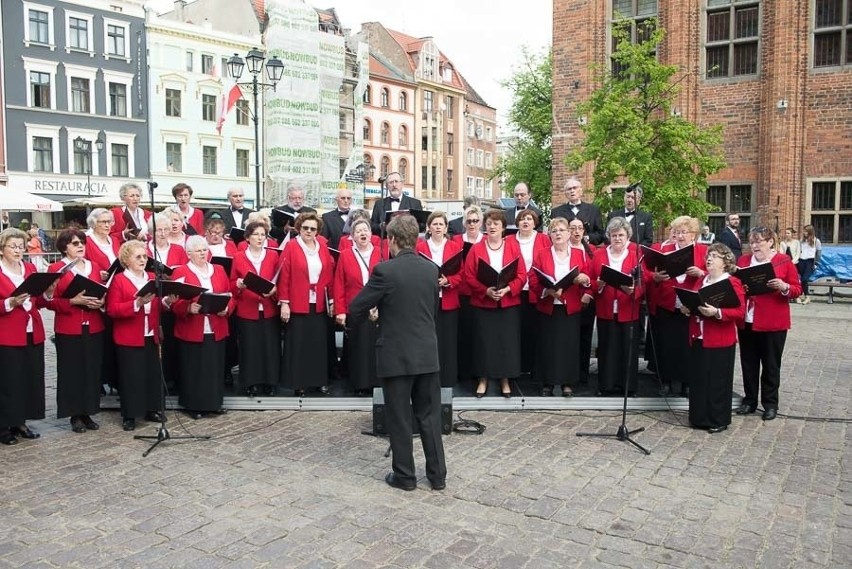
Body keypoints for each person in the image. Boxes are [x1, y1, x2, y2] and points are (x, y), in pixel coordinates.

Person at [347, 214, 447, 491]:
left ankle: (405, 476)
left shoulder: (385, 271)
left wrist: (374, 317)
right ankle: (437, 476)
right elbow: (429, 311)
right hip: (427, 352)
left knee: (400, 416)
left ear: (391, 240)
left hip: (396, 354)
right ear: (416, 239)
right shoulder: (431, 270)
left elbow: (356, 307)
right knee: (430, 416)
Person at [735, 227, 802, 421]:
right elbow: (736, 284)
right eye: (752, 242)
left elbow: (797, 289)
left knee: (771, 364)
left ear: (771, 242)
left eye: (759, 242)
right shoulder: (744, 261)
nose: (755, 246)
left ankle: (770, 403)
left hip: (773, 321)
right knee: (748, 363)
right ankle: (749, 400)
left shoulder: (783, 261)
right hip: (748, 319)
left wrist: (784, 287)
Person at [680, 243, 745, 433]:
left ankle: (718, 419)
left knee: (717, 380)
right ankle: (699, 417)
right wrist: (687, 309)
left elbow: (739, 311)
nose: (709, 259)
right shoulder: (702, 281)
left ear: (725, 262)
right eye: (708, 256)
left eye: (715, 256)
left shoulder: (732, 282)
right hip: (699, 336)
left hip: (720, 338)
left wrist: (717, 312)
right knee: (699, 378)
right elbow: (694, 302)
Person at [47, 229, 106, 433]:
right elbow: (48, 301)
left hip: (94, 324)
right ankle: (74, 415)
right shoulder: (56, 268)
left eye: (82, 242)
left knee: (91, 370)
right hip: (69, 326)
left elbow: (102, 291)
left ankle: (88, 411)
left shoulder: (95, 266)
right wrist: (72, 301)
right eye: (74, 243)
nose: (80, 246)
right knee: (71, 371)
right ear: (64, 247)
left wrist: (101, 301)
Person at [105, 241, 167, 431]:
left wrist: (166, 302)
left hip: (150, 333)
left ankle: (152, 409)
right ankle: (130, 414)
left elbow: (157, 306)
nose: (142, 260)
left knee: (152, 373)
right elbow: (112, 309)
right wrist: (137, 303)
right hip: (129, 335)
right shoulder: (119, 280)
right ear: (126, 260)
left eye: (144, 256)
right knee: (131, 376)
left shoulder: (151, 277)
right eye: (138, 257)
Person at [464, 208, 526, 398]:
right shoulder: (476, 248)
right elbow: (469, 276)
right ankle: (483, 379)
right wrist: (486, 291)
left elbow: (522, 274)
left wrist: (508, 289)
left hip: (507, 302)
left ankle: (505, 380)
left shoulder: (513, 247)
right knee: (484, 343)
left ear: (503, 228)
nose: (492, 227)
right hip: (484, 303)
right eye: (489, 223)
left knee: (506, 343)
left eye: (496, 224)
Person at [170, 236, 233, 418]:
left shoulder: (219, 269)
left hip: (216, 325)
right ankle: (194, 405)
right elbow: (175, 302)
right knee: (193, 367)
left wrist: (227, 308)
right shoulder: (181, 272)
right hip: (192, 327)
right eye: (198, 251)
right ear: (188, 253)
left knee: (214, 366)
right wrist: (188, 307)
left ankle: (214, 402)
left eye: (204, 250)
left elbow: (229, 294)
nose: (202, 253)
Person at [528, 217, 593, 396]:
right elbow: (532, 278)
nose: (558, 234)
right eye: (554, 231)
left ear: (569, 234)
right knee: (547, 344)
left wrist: (584, 279)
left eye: (562, 230)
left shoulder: (579, 254)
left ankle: (567, 382)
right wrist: (547, 291)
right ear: (549, 234)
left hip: (569, 306)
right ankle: (547, 382)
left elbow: (589, 276)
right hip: (548, 305)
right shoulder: (542, 253)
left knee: (569, 345)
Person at [646, 215, 708, 397]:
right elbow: (651, 272)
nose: (680, 236)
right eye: (677, 232)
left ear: (693, 234)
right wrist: (655, 277)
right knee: (667, 344)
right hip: (668, 302)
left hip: (691, 305)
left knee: (687, 346)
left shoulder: (703, 251)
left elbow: (715, 275)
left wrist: (701, 272)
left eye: (684, 232)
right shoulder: (666, 250)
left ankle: (687, 383)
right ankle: (665, 381)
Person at [0, 228, 51, 444]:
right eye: (13, 246)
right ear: (2, 249)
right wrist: (9, 303)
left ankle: (20, 421)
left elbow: (38, 300)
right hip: (8, 334)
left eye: (21, 246)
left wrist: (47, 293)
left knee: (30, 379)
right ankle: (4, 426)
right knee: (9, 381)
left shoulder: (29, 268)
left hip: (33, 331)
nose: (18, 250)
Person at [277, 212, 335, 396]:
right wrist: (284, 303)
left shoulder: (323, 246)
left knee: (318, 344)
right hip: (298, 301)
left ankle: (318, 381)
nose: (309, 231)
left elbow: (328, 275)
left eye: (313, 229)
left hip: (318, 302)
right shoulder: (291, 247)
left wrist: (331, 300)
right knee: (299, 344)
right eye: (305, 228)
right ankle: (299, 383)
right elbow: (284, 276)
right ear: (299, 228)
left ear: (317, 231)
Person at [587, 217, 642, 396]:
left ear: (628, 237)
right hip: (606, 308)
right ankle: (606, 386)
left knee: (628, 349)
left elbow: (643, 284)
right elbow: (591, 281)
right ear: (608, 236)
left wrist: (633, 290)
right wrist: (599, 284)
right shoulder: (600, 255)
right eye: (614, 235)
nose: (617, 238)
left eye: (621, 235)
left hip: (628, 308)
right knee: (607, 349)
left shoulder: (636, 256)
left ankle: (628, 387)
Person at [231, 221, 281, 397]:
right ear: (247, 238)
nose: (260, 238)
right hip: (247, 308)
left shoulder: (273, 256)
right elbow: (232, 283)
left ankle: (271, 382)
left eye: (263, 235)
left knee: (270, 347)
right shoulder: (238, 257)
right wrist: (238, 285)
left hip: (268, 308)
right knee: (250, 348)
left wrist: (275, 291)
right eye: (256, 235)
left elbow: (279, 280)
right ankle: (251, 383)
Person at [415, 211, 463, 388]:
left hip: (449, 299)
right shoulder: (420, 247)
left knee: (448, 341)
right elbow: (416, 272)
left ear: (446, 227)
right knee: (429, 340)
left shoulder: (454, 247)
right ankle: (428, 378)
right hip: (427, 301)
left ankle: (448, 378)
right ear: (428, 227)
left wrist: (448, 280)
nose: (437, 227)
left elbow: (461, 273)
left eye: (440, 224)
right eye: (434, 224)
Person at [334, 218, 381, 395]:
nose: (363, 233)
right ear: (352, 236)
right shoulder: (346, 255)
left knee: (376, 346)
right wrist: (340, 311)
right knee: (359, 347)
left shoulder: (380, 253)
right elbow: (339, 283)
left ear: (371, 234)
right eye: (358, 231)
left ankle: (377, 382)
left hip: (377, 308)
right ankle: (361, 384)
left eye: (366, 230)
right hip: (355, 308)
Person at [506, 208, 551, 377]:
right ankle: (516, 366)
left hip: (537, 291)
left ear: (535, 222)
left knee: (534, 329)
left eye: (529, 219)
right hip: (515, 291)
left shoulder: (544, 239)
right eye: (522, 219)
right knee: (516, 330)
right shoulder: (509, 240)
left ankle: (533, 366)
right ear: (517, 223)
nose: (526, 222)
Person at [452, 205, 483, 386]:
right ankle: (463, 371)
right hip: (461, 292)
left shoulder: (486, 240)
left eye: (476, 220)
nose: (472, 224)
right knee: (462, 333)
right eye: (469, 221)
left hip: (480, 293)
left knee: (478, 333)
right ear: (464, 223)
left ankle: (478, 371)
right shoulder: (456, 240)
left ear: (481, 222)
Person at [568, 218, 598, 386]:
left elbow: (595, 275)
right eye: (573, 228)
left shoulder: (591, 250)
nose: (577, 231)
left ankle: (582, 374)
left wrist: (588, 293)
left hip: (587, 299)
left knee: (585, 337)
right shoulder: (563, 249)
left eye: (580, 228)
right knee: (570, 338)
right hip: (569, 299)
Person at [551, 176, 605, 245]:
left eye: (575, 188)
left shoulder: (593, 210)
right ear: (565, 193)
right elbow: (552, 234)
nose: (572, 191)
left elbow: (600, 234)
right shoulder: (556, 212)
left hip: (587, 251)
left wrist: (587, 238)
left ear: (581, 191)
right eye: (569, 189)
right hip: (564, 250)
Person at [84, 208, 120, 279]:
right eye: (103, 222)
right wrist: (97, 273)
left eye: (109, 222)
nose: (107, 225)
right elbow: (82, 264)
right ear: (94, 223)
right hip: (97, 283)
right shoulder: (86, 241)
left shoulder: (115, 240)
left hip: (116, 281)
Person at [798, 224, 820, 305]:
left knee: (805, 279)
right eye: (804, 231)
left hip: (810, 261)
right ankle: (800, 295)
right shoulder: (802, 241)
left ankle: (807, 296)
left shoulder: (816, 241)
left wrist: (816, 263)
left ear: (810, 232)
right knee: (800, 279)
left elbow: (819, 253)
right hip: (801, 260)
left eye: (806, 231)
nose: (804, 233)